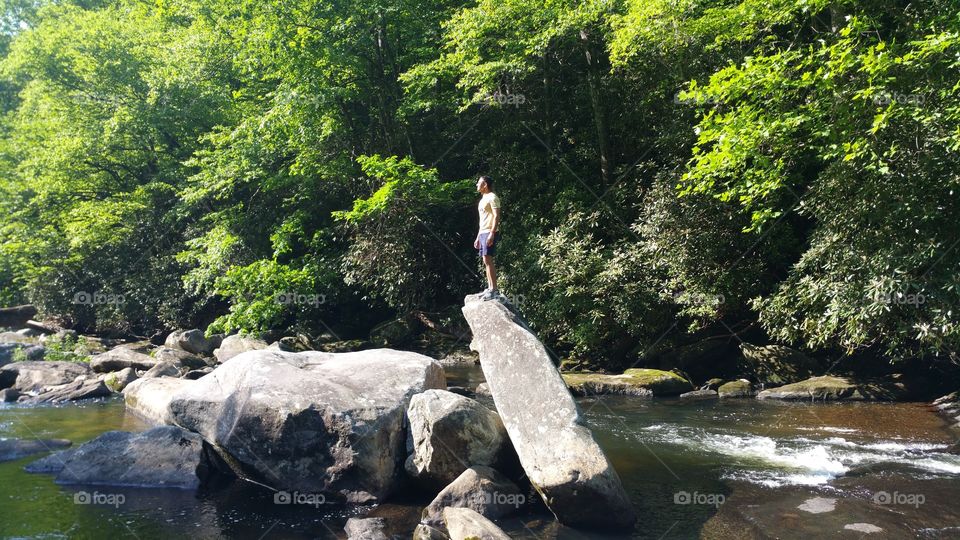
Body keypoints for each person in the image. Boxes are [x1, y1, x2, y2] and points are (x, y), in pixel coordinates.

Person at [473, 175, 501, 300]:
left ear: (485, 184)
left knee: (488, 260)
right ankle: (490, 287)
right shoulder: (483, 199)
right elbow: (482, 220)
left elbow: (496, 216)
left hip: (489, 231)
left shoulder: (492, 197)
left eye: (479, 183)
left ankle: (494, 289)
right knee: (485, 260)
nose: (477, 185)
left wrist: (492, 233)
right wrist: (478, 236)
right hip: (483, 232)